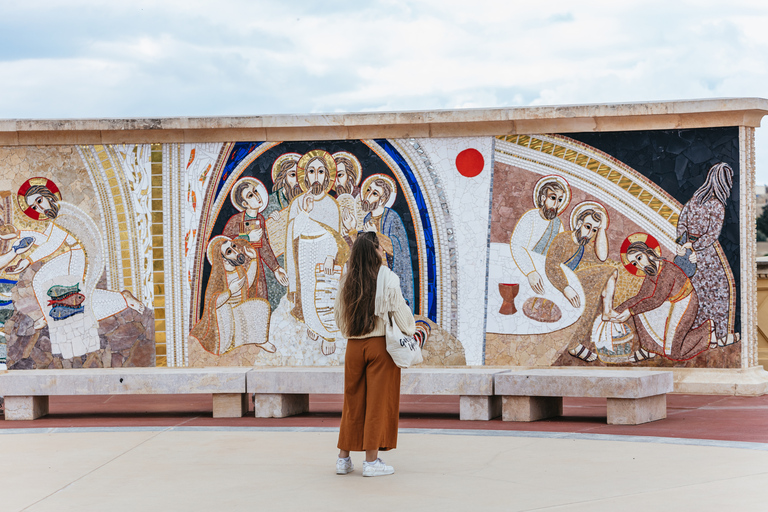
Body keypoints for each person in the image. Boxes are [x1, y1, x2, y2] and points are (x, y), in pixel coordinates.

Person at [333, 231, 415, 477]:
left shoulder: (347, 279)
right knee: (378, 401)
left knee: (352, 400)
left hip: (354, 347)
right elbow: (402, 316)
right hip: (381, 346)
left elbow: (338, 317)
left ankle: (343, 459)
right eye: (380, 248)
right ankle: (371, 462)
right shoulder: (387, 277)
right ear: (374, 251)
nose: (383, 251)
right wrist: (411, 329)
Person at [613, 239, 715, 362]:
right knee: (639, 308)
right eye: (634, 263)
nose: (639, 265)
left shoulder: (667, 271)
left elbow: (656, 300)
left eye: (639, 258)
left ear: (649, 253)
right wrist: (617, 311)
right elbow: (640, 297)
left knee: (673, 354)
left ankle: (707, 332)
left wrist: (630, 311)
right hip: (670, 303)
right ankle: (649, 349)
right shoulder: (651, 271)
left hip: (685, 302)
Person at [675, 162, 737, 346]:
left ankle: (699, 335)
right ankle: (715, 335)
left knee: (695, 294)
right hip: (706, 255)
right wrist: (693, 248)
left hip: (688, 250)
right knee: (717, 292)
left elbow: (681, 224)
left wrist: (685, 244)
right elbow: (712, 234)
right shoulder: (717, 205)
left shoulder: (693, 200)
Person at [509, 175, 570, 295]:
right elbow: (517, 246)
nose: (556, 204)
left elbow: (558, 257)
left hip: (546, 275)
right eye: (553, 198)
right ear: (543, 198)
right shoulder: (530, 217)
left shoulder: (558, 225)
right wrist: (531, 271)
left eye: (559, 200)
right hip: (526, 271)